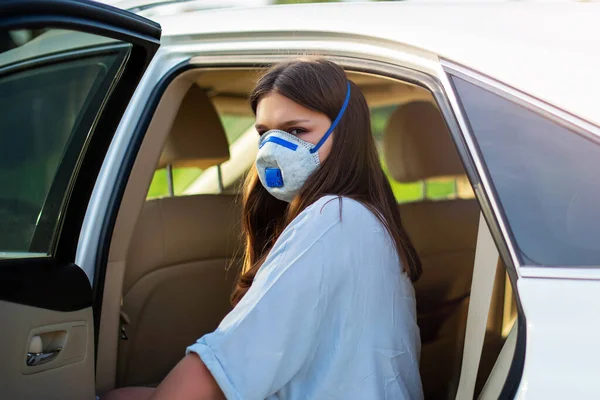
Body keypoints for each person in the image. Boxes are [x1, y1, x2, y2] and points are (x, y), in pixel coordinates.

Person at [104, 58, 423, 400]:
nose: (273, 149)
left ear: (344, 133)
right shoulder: (366, 218)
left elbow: (227, 364)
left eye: (297, 131)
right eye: (264, 134)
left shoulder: (335, 217)